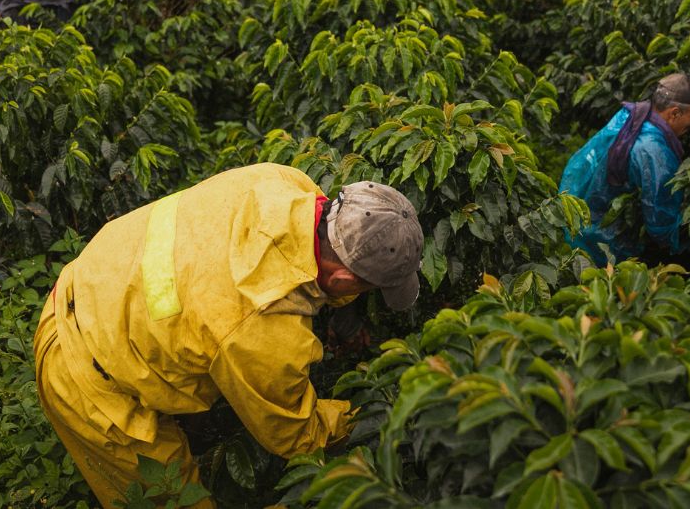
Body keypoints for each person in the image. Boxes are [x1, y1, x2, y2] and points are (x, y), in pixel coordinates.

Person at [33, 163, 424, 508]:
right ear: (343, 279)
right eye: (366, 288)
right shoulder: (262, 327)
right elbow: (296, 433)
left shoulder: (284, 182)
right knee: (173, 499)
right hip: (82, 375)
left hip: (91, 281)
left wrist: (343, 311)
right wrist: (376, 414)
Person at [559, 73, 690, 265]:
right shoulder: (654, 150)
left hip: (574, 216)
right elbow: (660, 221)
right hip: (599, 241)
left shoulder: (632, 116)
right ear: (675, 113)